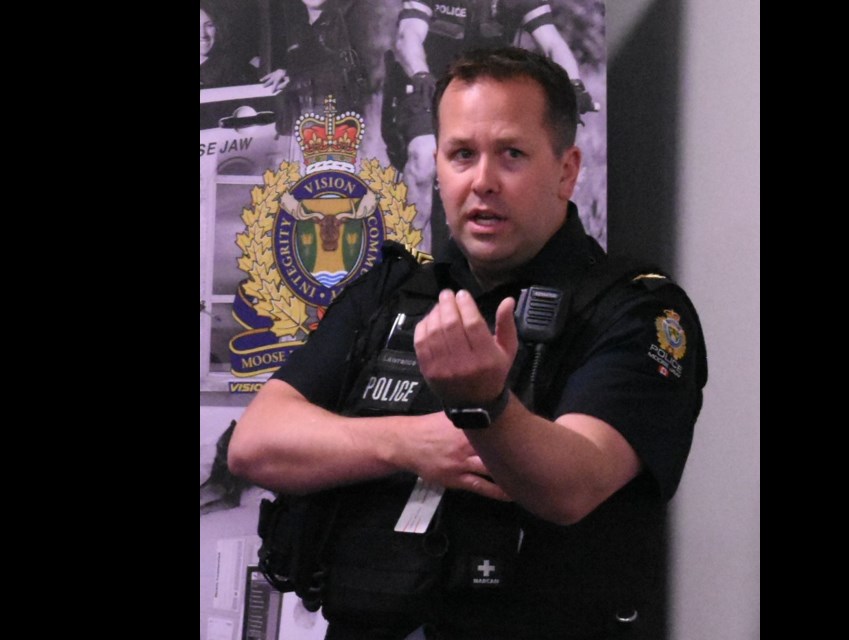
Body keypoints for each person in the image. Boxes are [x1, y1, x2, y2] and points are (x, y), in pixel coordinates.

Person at [230, 47, 706, 639]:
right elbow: (256, 444)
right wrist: (408, 443)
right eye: (461, 155)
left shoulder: (634, 310)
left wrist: (487, 407)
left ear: (566, 168)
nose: (482, 181)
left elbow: (574, 485)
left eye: (511, 154)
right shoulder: (391, 290)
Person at [383, 0, 597, 252]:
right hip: (424, 85)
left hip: (482, 95)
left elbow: (551, 42)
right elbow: (407, 36)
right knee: (423, 158)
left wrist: (574, 85)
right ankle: (405, 260)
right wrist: (420, 74)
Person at [261, 0, 370, 136]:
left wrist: (289, 72)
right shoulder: (297, 28)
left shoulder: (343, 20)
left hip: (334, 113)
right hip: (303, 113)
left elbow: (329, 59)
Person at [200, 1, 258, 89]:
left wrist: (283, 73)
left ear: (218, 27)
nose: (202, 34)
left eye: (209, 25)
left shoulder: (235, 65)